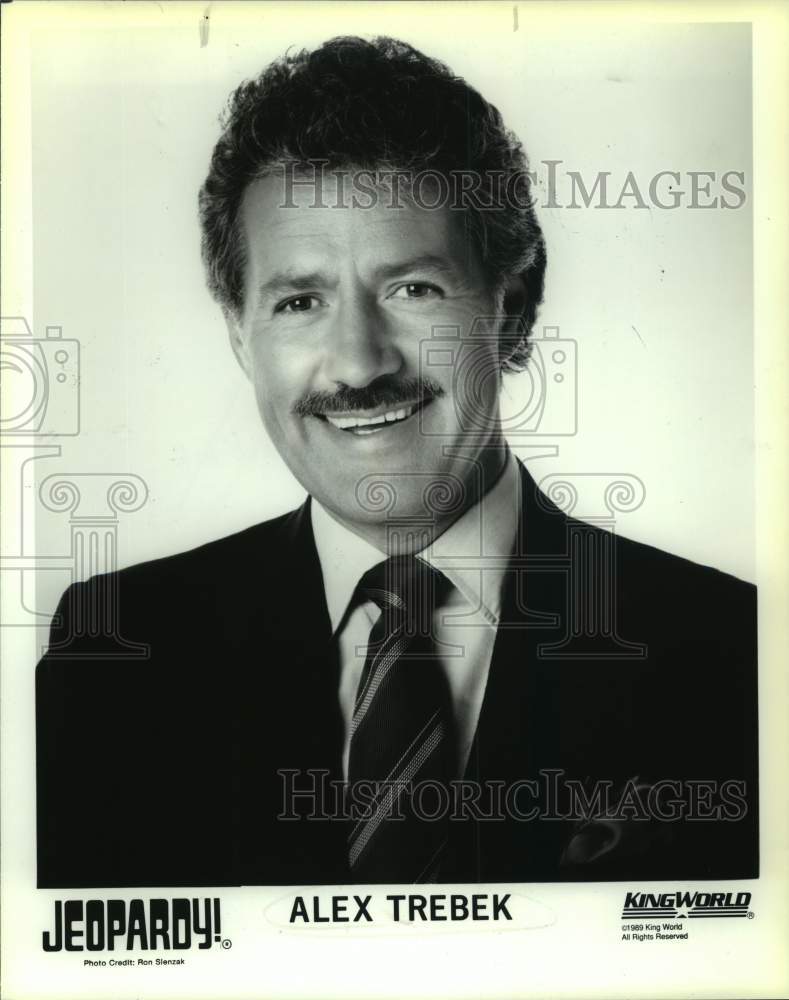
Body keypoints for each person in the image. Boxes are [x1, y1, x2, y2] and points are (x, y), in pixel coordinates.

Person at [36, 36, 757, 888]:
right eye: (299, 301)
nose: (357, 364)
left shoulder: (730, 650)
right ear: (239, 336)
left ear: (512, 308)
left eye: (413, 289)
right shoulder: (113, 657)